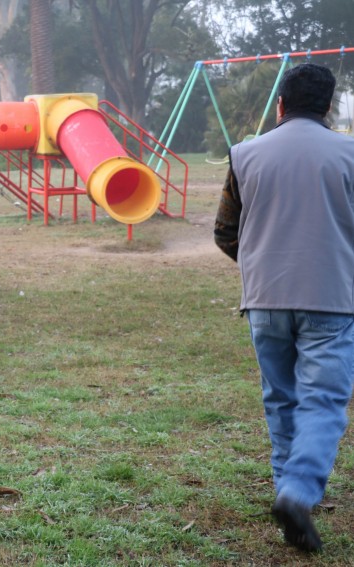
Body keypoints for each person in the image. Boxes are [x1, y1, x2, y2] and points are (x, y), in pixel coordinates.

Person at [214, 63, 354, 553]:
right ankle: (297, 493)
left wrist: (260, 266)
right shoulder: (349, 154)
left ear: (280, 104)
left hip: (264, 299)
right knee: (324, 402)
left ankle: (286, 491)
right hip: (332, 299)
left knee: (281, 397)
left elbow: (225, 231)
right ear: (330, 106)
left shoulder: (245, 154)